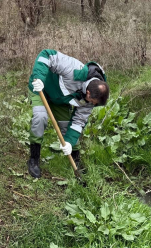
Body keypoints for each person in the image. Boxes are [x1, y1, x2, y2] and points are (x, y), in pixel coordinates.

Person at [26, 50, 109, 178]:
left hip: (60, 100)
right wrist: (40, 78)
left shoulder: (91, 100)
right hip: (41, 89)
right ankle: (34, 158)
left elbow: (78, 122)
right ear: (88, 93)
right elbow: (46, 55)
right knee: (40, 117)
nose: (91, 105)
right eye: (91, 102)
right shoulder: (73, 68)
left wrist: (69, 142)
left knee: (67, 127)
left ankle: (76, 161)